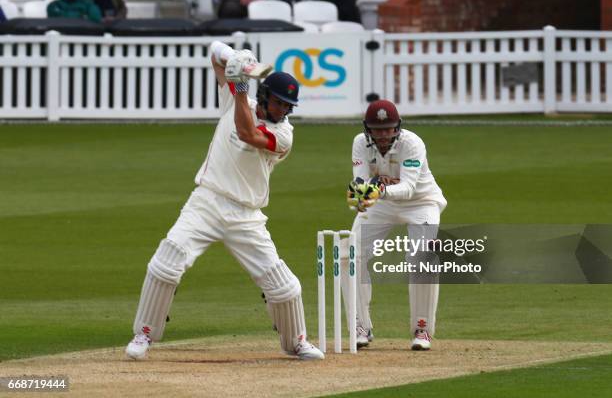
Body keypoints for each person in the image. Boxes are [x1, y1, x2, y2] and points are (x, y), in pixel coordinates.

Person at [125, 42, 324, 361]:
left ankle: (296, 341)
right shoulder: (234, 97)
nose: (283, 110)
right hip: (206, 201)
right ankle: (144, 333)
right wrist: (236, 59)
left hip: (246, 214)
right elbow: (215, 53)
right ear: (265, 97)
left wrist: (240, 85)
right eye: (279, 102)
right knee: (165, 265)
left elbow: (247, 132)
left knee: (284, 287)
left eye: (288, 105)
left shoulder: (283, 134)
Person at [345, 99, 447, 350]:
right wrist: (359, 196)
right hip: (382, 203)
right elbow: (360, 181)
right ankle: (360, 326)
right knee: (350, 253)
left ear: (397, 127)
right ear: (367, 129)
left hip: (421, 202)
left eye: (387, 128)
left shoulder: (412, 143)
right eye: (376, 129)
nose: (382, 135)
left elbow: (409, 187)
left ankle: (422, 329)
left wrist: (377, 191)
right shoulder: (360, 143)